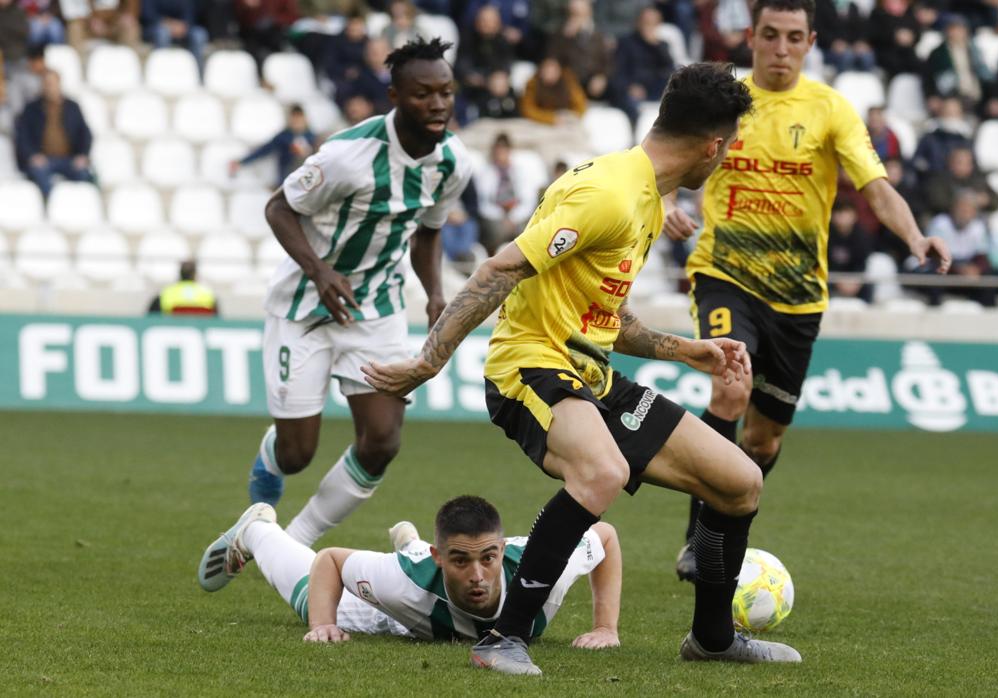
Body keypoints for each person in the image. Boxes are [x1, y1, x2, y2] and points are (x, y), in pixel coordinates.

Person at [361, 61, 801, 675]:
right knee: (601, 471)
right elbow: (498, 270)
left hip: (590, 374)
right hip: (531, 367)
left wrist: (687, 349)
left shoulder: (645, 194)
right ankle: (502, 640)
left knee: (739, 481)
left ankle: (713, 638)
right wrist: (427, 362)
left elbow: (603, 315)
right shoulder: (610, 194)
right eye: (727, 151)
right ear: (714, 146)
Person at [661, 0, 950, 581]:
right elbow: (661, 160)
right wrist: (666, 202)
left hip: (798, 298)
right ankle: (699, 543)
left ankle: (728, 518)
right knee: (729, 387)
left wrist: (916, 236)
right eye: (771, 35)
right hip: (726, 275)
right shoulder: (724, 102)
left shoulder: (829, 109)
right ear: (752, 36)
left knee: (763, 441)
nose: (782, 48)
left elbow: (876, 186)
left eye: (794, 37)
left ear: (811, 41)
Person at [245, 38, 473, 548]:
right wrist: (320, 270)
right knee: (297, 454)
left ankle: (293, 543)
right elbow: (279, 207)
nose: (437, 104)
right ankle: (271, 461)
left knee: (382, 440)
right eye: (422, 94)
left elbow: (428, 231)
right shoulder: (348, 155)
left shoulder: (454, 162)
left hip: (377, 308)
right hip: (305, 305)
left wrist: (434, 293)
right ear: (394, 95)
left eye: (445, 92)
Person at [196, 495, 623, 649]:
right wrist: (322, 624)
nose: (478, 574)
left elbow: (604, 536)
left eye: (487, 558)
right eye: (461, 561)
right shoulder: (402, 582)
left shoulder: (543, 564)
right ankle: (255, 531)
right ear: (441, 557)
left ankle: (410, 541)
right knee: (312, 599)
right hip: (392, 617)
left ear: (500, 548)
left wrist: (606, 628)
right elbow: (331, 561)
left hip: (426, 563)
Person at [15, 70, 91, 198]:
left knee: (83, 175)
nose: (49, 87)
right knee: (40, 173)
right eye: (47, 83)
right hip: (43, 160)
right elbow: (22, 137)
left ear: (59, 84)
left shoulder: (72, 107)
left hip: (69, 159)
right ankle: (50, 206)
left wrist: (82, 155)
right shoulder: (31, 109)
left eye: (52, 83)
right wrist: (32, 155)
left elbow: (85, 134)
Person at [230, 105, 316, 188]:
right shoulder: (284, 136)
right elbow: (263, 151)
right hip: (286, 183)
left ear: (304, 119)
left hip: (309, 181)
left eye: (299, 119)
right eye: (294, 119)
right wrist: (241, 162)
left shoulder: (312, 138)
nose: (297, 122)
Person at [147, 260, 219, 316]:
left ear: (180, 274)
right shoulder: (208, 294)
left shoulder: (166, 293)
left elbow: (151, 318)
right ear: (195, 274)